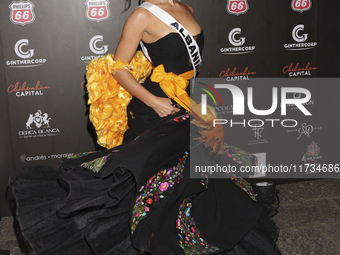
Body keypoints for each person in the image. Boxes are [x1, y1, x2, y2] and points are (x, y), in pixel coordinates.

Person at [10, 0, 281, 254]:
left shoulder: (186, 7)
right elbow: (118, 68)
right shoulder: (142, 15)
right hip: (155, 107)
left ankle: (199, 233)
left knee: (196, 176)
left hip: (187, 100)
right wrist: (154, 102)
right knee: (156, 180)